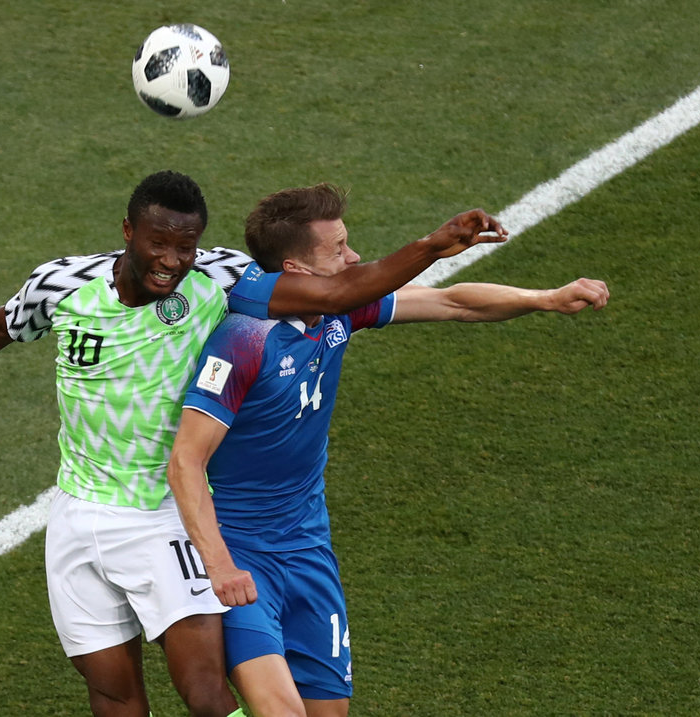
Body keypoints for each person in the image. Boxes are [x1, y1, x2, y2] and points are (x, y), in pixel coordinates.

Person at [0, 171, 507, 717]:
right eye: (160, 244)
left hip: (164, 513)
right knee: (112, 691)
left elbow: (336, 291)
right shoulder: (62, 284)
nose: (173, 262)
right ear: (128, 232)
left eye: (185, 247)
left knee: (209, 696)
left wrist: (432, 244)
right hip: (76, 513)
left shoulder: (222, 276)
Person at [167, 183, 610, 717]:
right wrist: (219, 565)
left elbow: (451, 302)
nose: (354, 259)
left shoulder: (339, 314)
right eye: (338, 251)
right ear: (297, 269)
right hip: (243, 554)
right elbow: (186, 460)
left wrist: (544, 299)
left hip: (309, 549)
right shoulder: (243, 339)